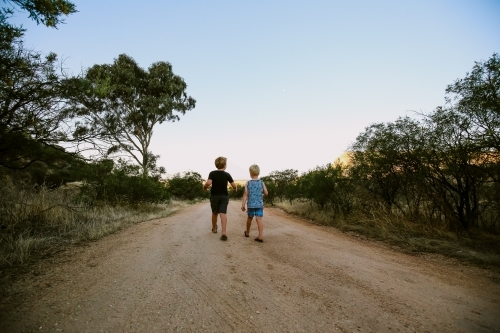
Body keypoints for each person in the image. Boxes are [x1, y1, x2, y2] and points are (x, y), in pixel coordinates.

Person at [203, 156, 237, 241]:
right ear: (225, 165)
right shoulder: (227, 174)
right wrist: (235, 190)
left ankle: (214, 229)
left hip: (214, 196)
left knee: (214, 213)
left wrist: (205, 187)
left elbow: (209, 182)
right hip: (224, 196)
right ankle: (224, 232)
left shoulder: (212, 173)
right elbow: (234, 185)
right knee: (223, 213)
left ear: (216, 165)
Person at [241, 164, 268, 242]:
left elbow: (245, 195)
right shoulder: (261, 182)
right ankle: (260, 236)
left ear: (251, 173)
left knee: (249, 218)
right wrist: (261, 195)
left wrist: (243, 204)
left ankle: (247, 232)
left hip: (251, 205)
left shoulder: (248, 183)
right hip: (259, 204)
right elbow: (266, 193)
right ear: (258, 173)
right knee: (259, 219)